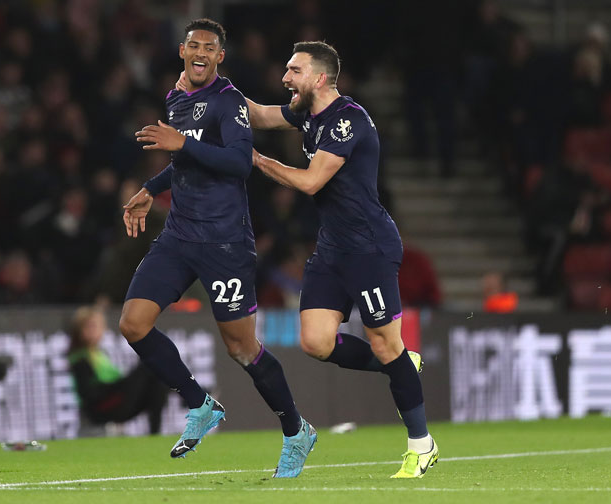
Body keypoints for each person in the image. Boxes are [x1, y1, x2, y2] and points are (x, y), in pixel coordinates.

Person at [122, 19, 315, 478]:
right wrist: (152, 187)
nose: (201, 52)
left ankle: (295, 430)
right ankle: (200, 403)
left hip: (224, 242)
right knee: (133, 324)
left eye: (210, 47)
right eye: (194, 45)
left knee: (242, 349)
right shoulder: (176, 97)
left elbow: (237, 163)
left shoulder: (228, 102)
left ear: (220, 56)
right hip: (179, 237)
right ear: (184, 51)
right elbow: (185, 161)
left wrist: (181, 142)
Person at [243, 41, 439, 478]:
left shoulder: (347, 121)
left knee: (387, 344)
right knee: (315, 341)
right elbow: (258, 113)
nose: (285, 78)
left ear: (320, 78)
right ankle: (402, 363)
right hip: (332, 247)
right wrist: (210, 91)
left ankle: (421, 445)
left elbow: (312, 182)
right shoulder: (306, 115)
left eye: (294, 71)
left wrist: (256, 159)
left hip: (368, 247)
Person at [67, 306, 168, 433]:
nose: (94, 330)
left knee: (157, 382)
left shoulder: (99, 354)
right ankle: (186, 393)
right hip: (100, 409)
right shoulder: (80, 359)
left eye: (97, 326)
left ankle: (155, 433)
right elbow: (90, 394)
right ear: (79, 331)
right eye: (89, 327)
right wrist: (121, 386)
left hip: (115, 400)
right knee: (148, 365)